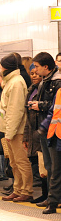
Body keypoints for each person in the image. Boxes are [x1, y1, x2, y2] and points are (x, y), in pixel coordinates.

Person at [0, 54, 32, 202]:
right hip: (9, 129)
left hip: (17, 130)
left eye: (0, 67)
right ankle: (17, 189)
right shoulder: (10, 81)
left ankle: (27, 190)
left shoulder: (16, 83)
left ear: (6, 68)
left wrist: (10, 132)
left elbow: (15, 110)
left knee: (21, 161)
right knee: (13, 162)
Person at [28, 52, 61, 207]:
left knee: (55, 167)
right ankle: (50, 197)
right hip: (46, 128)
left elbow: (53, 108)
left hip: (54, 130)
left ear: (46, 67)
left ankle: (54, 198)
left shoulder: (56, 82)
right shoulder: (44, 82)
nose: (35, 70)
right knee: (48, 166)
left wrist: (39, 105)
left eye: (37, 66)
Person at [24, 64, 47, 202]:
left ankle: (48, 195)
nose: (33, 76)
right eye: (31, 73)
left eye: (36, 73)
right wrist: (26, 136)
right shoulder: (31, 90)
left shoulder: (44, 90)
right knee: (39, 164)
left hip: (42, 130)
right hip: (32, 130)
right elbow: (27, 115)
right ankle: (45, 194)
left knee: (45, 165)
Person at [38, 84, 61, 214]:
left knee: (55, 172)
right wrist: (44, 127)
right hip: (55, 135)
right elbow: (53, 112)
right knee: (55, 172)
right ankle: (52, 203)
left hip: (56, 135)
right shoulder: (59, 92)